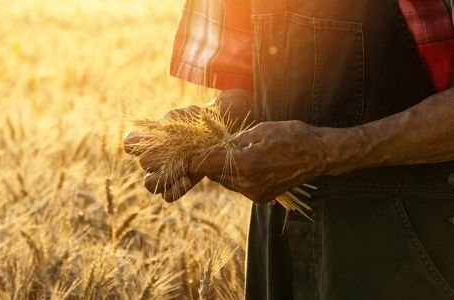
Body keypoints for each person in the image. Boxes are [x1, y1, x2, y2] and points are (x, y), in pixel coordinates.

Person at [125, 0, 454, 299]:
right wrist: (208, 129)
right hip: (278, 244)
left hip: (408, 248)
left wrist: (326, 151)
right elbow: (250, 85)